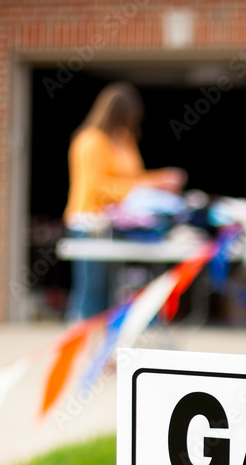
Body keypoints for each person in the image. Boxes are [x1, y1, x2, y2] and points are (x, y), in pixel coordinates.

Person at [64, 82, 186, 320]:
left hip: (115, 224)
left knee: (112, 294)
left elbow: (133, 179)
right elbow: (98, 188)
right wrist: (152, 184)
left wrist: (161, 179)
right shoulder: (90, 141)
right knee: (92, 293)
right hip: (89, 223)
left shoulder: (124, 140)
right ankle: (81, 351)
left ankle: (106, 353)